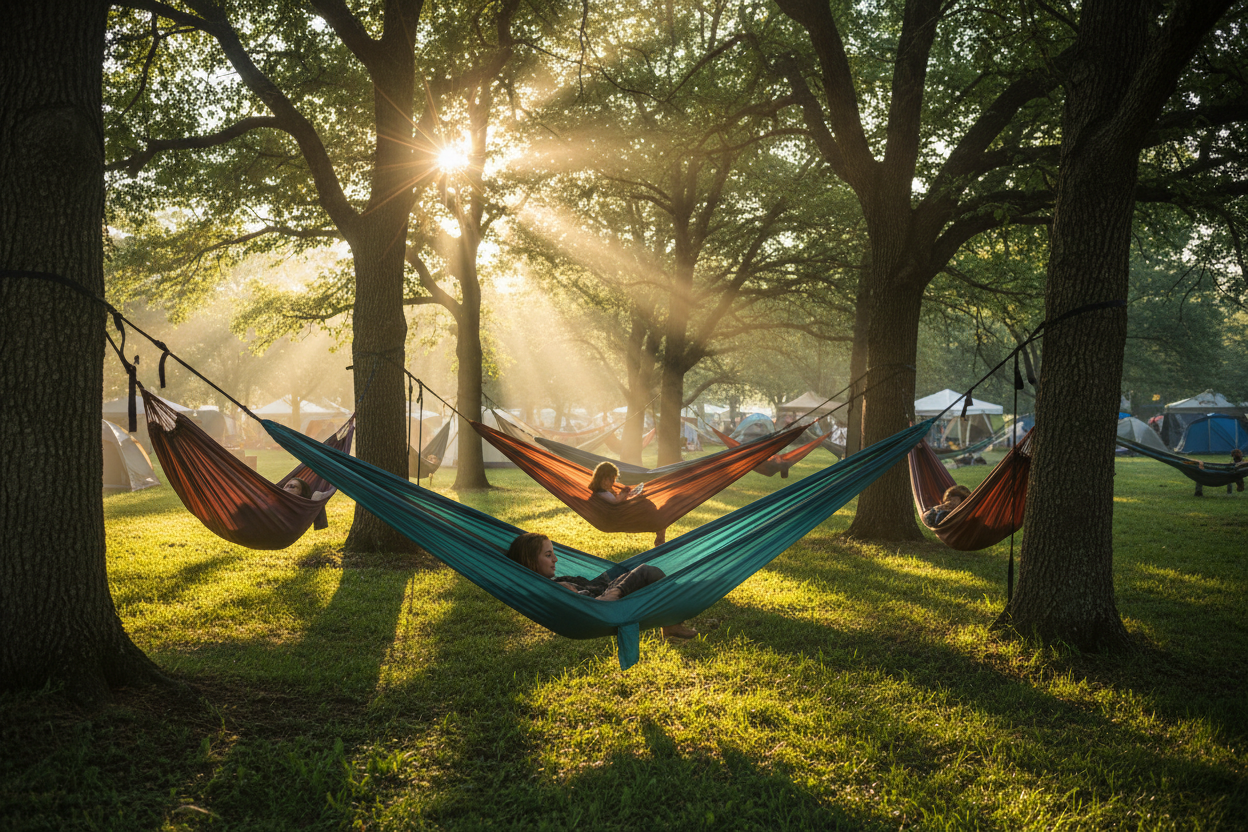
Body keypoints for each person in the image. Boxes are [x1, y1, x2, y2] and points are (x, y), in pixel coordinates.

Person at [506, 532, 697, 639]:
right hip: (603, 602)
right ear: (530, 562)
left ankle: (671, 619)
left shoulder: (547, 583)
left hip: (602, 586)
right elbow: (580, 600)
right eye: (548, 555)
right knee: (646, 571)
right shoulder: (549, 589)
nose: (555, 559)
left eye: (553, 554)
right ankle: (672, 621)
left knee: (647, 575)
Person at [589, 461, 666, 545]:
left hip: (622, 512)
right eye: (610, 479)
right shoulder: (602, 493)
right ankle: (660, 537)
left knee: (651, 507)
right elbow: (616, 503)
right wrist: (623, 494)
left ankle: (660, 533)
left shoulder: (604, 491)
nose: (612, 482)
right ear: (601, 478)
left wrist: (624, 495)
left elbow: (616, 501)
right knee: (653, 510)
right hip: (619, 517)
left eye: (613, 480)